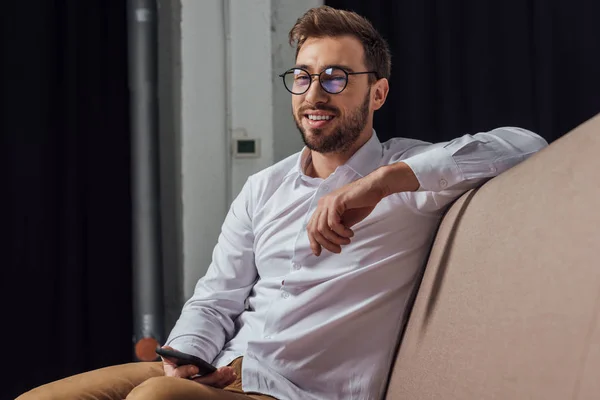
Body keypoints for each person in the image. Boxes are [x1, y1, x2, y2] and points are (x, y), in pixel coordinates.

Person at [17, 5, 548, 400]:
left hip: (295, 392)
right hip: (217, 373)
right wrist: (186, 358)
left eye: (337, 77)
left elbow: (524, 145)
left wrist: (377, 185)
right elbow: (215, 298)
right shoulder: (263, 188)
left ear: (377, 93)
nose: (316, 92)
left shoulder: (408, 178)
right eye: (304, 76)